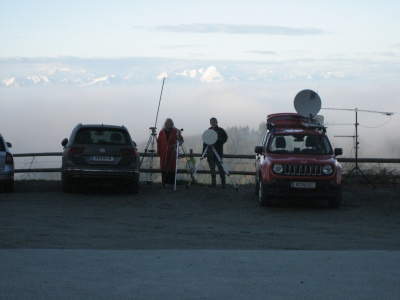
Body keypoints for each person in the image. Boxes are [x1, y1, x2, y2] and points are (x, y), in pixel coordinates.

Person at [157, 118, 184, 187]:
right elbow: (159, 141)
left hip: (172, 152)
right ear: (166, 124)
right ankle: (164, 182)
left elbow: (181, 140)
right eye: (168, 123)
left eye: (170, 123)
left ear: (172, 124)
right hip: (163, 152)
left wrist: (176, 144)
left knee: (171, 167)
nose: (169, 124)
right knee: (163, 167)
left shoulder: (176, 131)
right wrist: (159, 151)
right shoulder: (162, 132)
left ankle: (171, 183)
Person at [203, 117, 228, 187]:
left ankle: (223, 182)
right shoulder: (208, 130)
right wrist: (203, 153)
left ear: (217, 122)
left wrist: (219, 141)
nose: (213, 123)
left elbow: (225, 138)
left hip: (218, 152)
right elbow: (205, 142)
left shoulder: (220, 130)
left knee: (220, 167)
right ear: (210, 123)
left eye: (214, 122)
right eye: (211, 122)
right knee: (212, 168)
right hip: (210, 152)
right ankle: (213, 182)